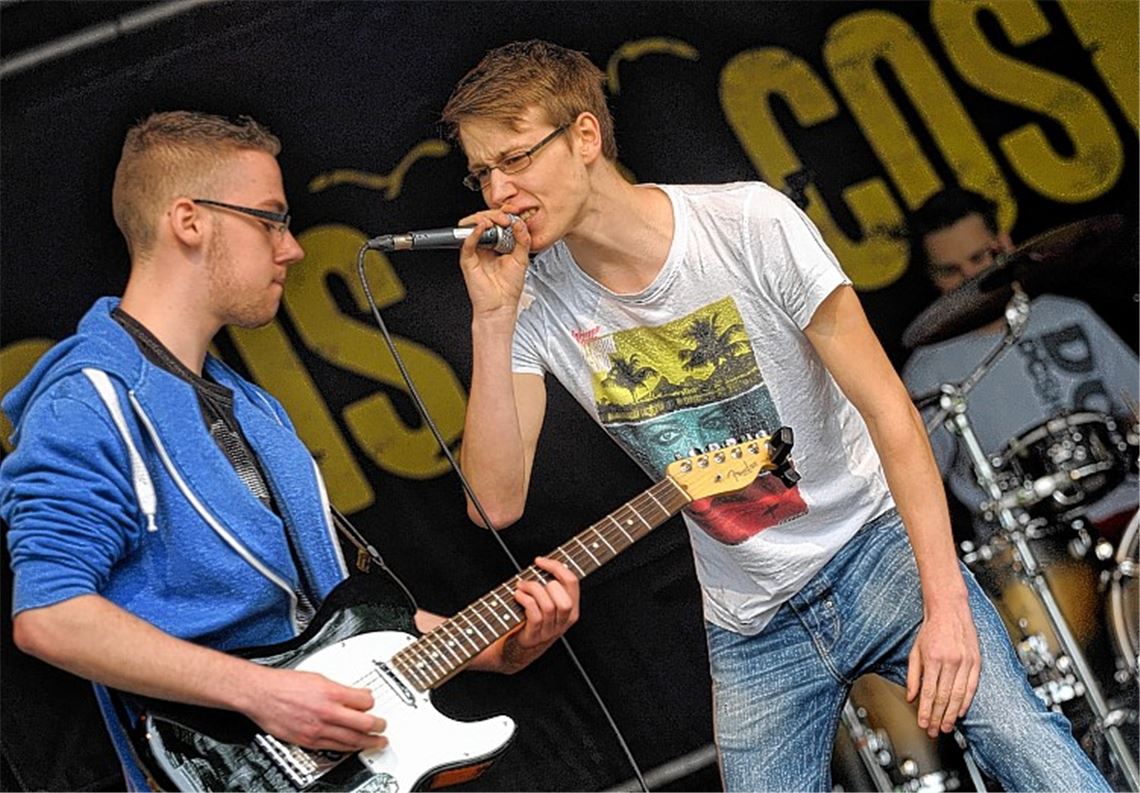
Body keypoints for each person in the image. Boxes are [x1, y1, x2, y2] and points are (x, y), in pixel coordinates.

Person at [437, 39, 1110, 791]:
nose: (499, 190)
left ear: (586, 137)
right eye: (482, 172)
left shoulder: (748, 223)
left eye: (516, 158)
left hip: (873, 547)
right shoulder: (530, 301)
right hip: (752, 621)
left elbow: (892, 412)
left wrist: (945, 599)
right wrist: (491, 320)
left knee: (1031, 746)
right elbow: (494, 502)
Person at [0, 110, 580, 791]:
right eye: (270, 219)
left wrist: (494, 646)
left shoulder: (246, 401)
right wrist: (261, 693)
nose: (293, 247)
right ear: (189, 221)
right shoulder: (85, 403)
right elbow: (49, 615)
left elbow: (333, 624)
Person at [901, 187, 1139, 541]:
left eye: (980, 257)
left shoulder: (1069, 314)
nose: (970, 277)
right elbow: (917, 488)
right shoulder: (925, 372)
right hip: (1034, 546)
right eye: (950, 270)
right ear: (930, 276)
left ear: (1006, 245)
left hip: (1130, 509)